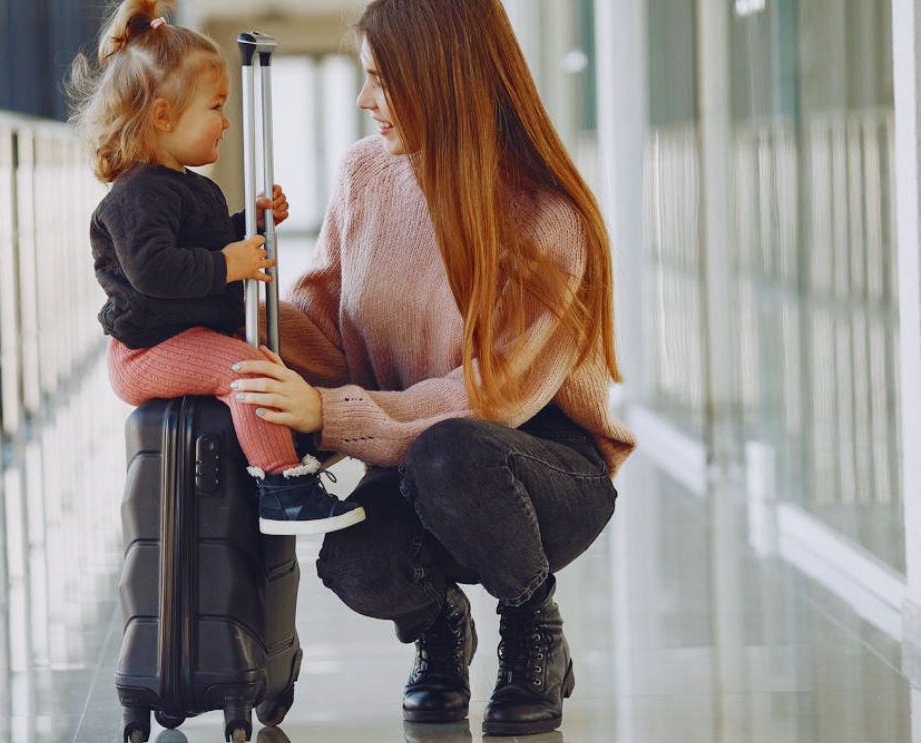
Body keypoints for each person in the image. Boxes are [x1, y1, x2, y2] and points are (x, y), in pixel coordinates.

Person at [229, 0, 636, 735]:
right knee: (354, 562)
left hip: (539, 470)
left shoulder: (547, 216)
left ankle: (531, 627)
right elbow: (323, 329)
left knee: (455, 452)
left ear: (440, 77)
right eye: (363, 79)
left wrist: (332, 415)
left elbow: (491, 398)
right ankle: (440, 629)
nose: (364, 101)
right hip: (416, 461)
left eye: (382, 81)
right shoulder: (364, 173)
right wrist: (238, 294)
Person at [69, 0, 365, 536]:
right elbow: (155, 270)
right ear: (163, 117)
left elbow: (199, 245)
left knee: (286, 334)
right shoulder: (135, 195)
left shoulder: (187, 185)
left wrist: (245, 224)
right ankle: (282, 488)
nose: (226, 121)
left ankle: (327, 422)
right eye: (216, 107)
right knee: (243, 369)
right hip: (148, 351)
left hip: (190, 330)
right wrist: (230, 263)